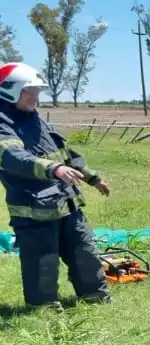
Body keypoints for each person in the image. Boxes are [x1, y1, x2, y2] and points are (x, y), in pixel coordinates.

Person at [0, 62, 110, 311]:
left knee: (85, 252)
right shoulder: (2, 124)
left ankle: (96, 298)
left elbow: (63, 153)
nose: (36, 97)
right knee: (43, 263)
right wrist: (53, 169)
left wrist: (92, 177)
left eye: (37, 92)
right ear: (11, 90)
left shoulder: (35, 120)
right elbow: (13, 157)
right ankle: (44, 310)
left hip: (66, 204)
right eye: (31, 91)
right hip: (33, 211)